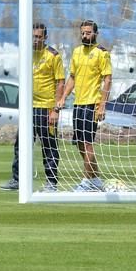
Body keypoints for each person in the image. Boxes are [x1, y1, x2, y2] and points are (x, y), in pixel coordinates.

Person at [0, 23, 65, 192]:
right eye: (33, 36)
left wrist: (55, 109)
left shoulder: (53, 56)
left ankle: (51, 182)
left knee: (48, 145)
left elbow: (60, 82)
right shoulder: (26, 54)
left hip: (46, 108)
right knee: (21, 144)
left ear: (45, 38)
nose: (35, 39)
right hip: (29, 109)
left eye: (38, 36)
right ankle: (17, 179)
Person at [56, 20, 112, 192]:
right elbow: (72, 77)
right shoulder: (77, 52)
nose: (84, 35)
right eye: (83, 33)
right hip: (78, 104)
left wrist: (102, 106)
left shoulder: (102, 53)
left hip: (92, 105)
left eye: (88, 33)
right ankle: (95, 179)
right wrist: (63, 97)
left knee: (87, 144)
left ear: (95, 33)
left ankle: (86, 181)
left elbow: (108, 80)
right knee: (80, 144)